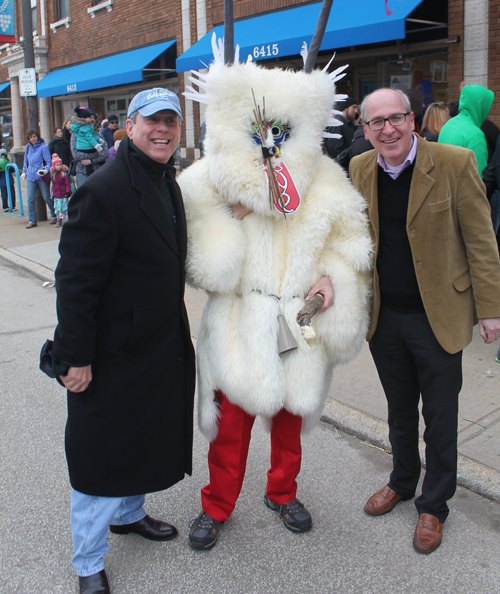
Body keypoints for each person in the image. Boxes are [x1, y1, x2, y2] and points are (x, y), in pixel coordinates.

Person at [179, 52, 372, 552]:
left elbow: (351, 245)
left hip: (296, 319)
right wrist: (231, 214)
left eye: (281, 130)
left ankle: (282, 492)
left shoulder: (325, 178)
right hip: (240, 320)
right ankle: (216, 504)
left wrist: (331, 281)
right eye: (260, 128)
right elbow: (194, 252)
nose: (270, 141)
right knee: (231, 426)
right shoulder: (209, 179)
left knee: (289, 423)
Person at [48, 87, 195, 594]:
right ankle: (88, 563)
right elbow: (76, 282)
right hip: (110, 354)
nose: (162, 130)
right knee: (100, 457)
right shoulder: (104, 188)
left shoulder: (165, 181)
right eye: (151, 121)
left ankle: (129, 514)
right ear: (128, 127)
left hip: (153, 348)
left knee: (142, 439)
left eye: (170, 122)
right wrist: (76, 357)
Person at [350, 87, 500, 554]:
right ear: (366, 128)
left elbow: (480, 240)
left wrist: (491, 308)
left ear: (412, 119)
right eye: (376, 122)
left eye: (395, 118)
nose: (387, 129)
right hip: (386, 317)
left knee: (440, 418)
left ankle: (434, 505)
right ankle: (401, 480)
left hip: (439, 316)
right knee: (398, 412)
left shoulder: (454, 163)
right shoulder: (359, 168)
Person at [438, 84, 494, 175]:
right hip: (463, 188)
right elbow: (478, 180)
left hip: (445, 185)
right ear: (480, 106)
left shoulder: (448, 124)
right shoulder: (475, 135)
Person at [22, 129, 56, 228]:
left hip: (41, 176)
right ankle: (32, 220)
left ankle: (54, 215)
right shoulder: (28, 147)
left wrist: (45, 170)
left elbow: (48, 161)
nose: (33, 138)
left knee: (46, 197)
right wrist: (24, 171)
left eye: (35, 136)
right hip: (30, 176)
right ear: (28, 138)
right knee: (30, 199)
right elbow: (25, 161)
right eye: (31, 137)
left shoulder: (43, 147)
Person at [70, 112, 109, 189]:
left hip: (97, 170)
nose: (91, 120)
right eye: (89, 118)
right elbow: (76, 154)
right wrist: (96, 154)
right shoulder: (75, 135)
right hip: (82, 171)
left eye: (93, 118)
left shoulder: (99, 135)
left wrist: (91, 160)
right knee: (83, 197)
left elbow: (105, 153)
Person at [324, 96, 359, 162]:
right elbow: (335, 151)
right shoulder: (337, 124)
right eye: (353, 107)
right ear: (345, 108)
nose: (356, 111)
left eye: (356, 108)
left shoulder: (349, 124)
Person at [50, 155, 71, 227]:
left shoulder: (64, 174)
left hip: (63, 193)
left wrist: (68, 191)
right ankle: (59, 221)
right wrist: (42, 175)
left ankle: (69, 220)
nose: (59, 166)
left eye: (60, 164)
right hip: (56, 194)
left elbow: (67, 183)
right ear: (54, 166)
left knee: (65, 207)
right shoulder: (53, 174)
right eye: (57, 165)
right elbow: (47, 180)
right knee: (58, 208)